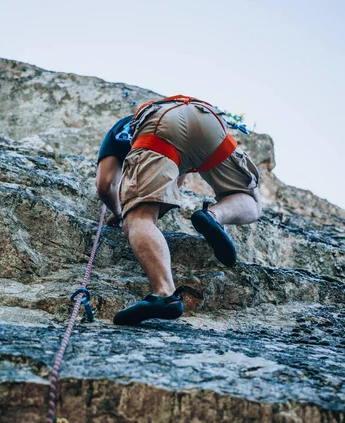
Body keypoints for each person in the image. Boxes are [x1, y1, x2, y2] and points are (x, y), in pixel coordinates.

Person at [96, 95, 262, 326]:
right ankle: (214, 215)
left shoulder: (122, 128)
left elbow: (105, 185)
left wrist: (123, 212)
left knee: (140, 218)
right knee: (250, 200)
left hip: (161, 127)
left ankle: (164, 294)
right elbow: (174, 184)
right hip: (208, 119)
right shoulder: (166, 110)